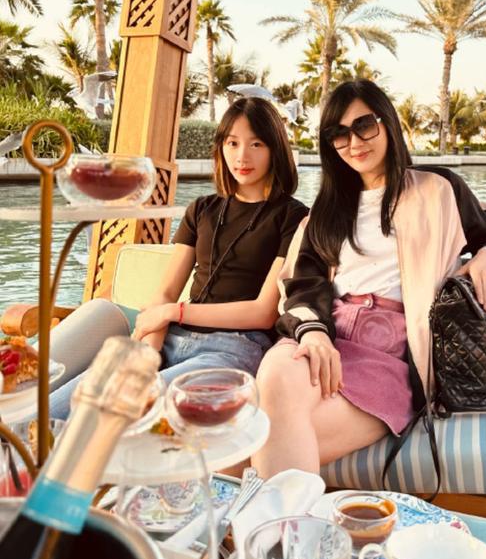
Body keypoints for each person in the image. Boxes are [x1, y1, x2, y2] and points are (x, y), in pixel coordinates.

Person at [251, 80, 486, 478]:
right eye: (339, 133)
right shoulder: (325, 212)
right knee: (275, 375)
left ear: (387, 123)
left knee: (258, 444)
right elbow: (301, 283)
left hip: (391, 356)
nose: (354, 142)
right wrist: (314, 333)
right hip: (328, 336)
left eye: (364, 125)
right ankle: (294, 520)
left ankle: (280, 520)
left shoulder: (438, 188)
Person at [46, 97, 308, 419]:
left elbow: (263, 312)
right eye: (232, 143)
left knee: (120, 413)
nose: (242, 156)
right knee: (57, 409)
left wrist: (173, 312)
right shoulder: (202, 209)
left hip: (234, 349)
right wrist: (149, 348)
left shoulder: (293, 217)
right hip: (172, 337)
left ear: (275, 149)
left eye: (256, 144)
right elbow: (166, 292)